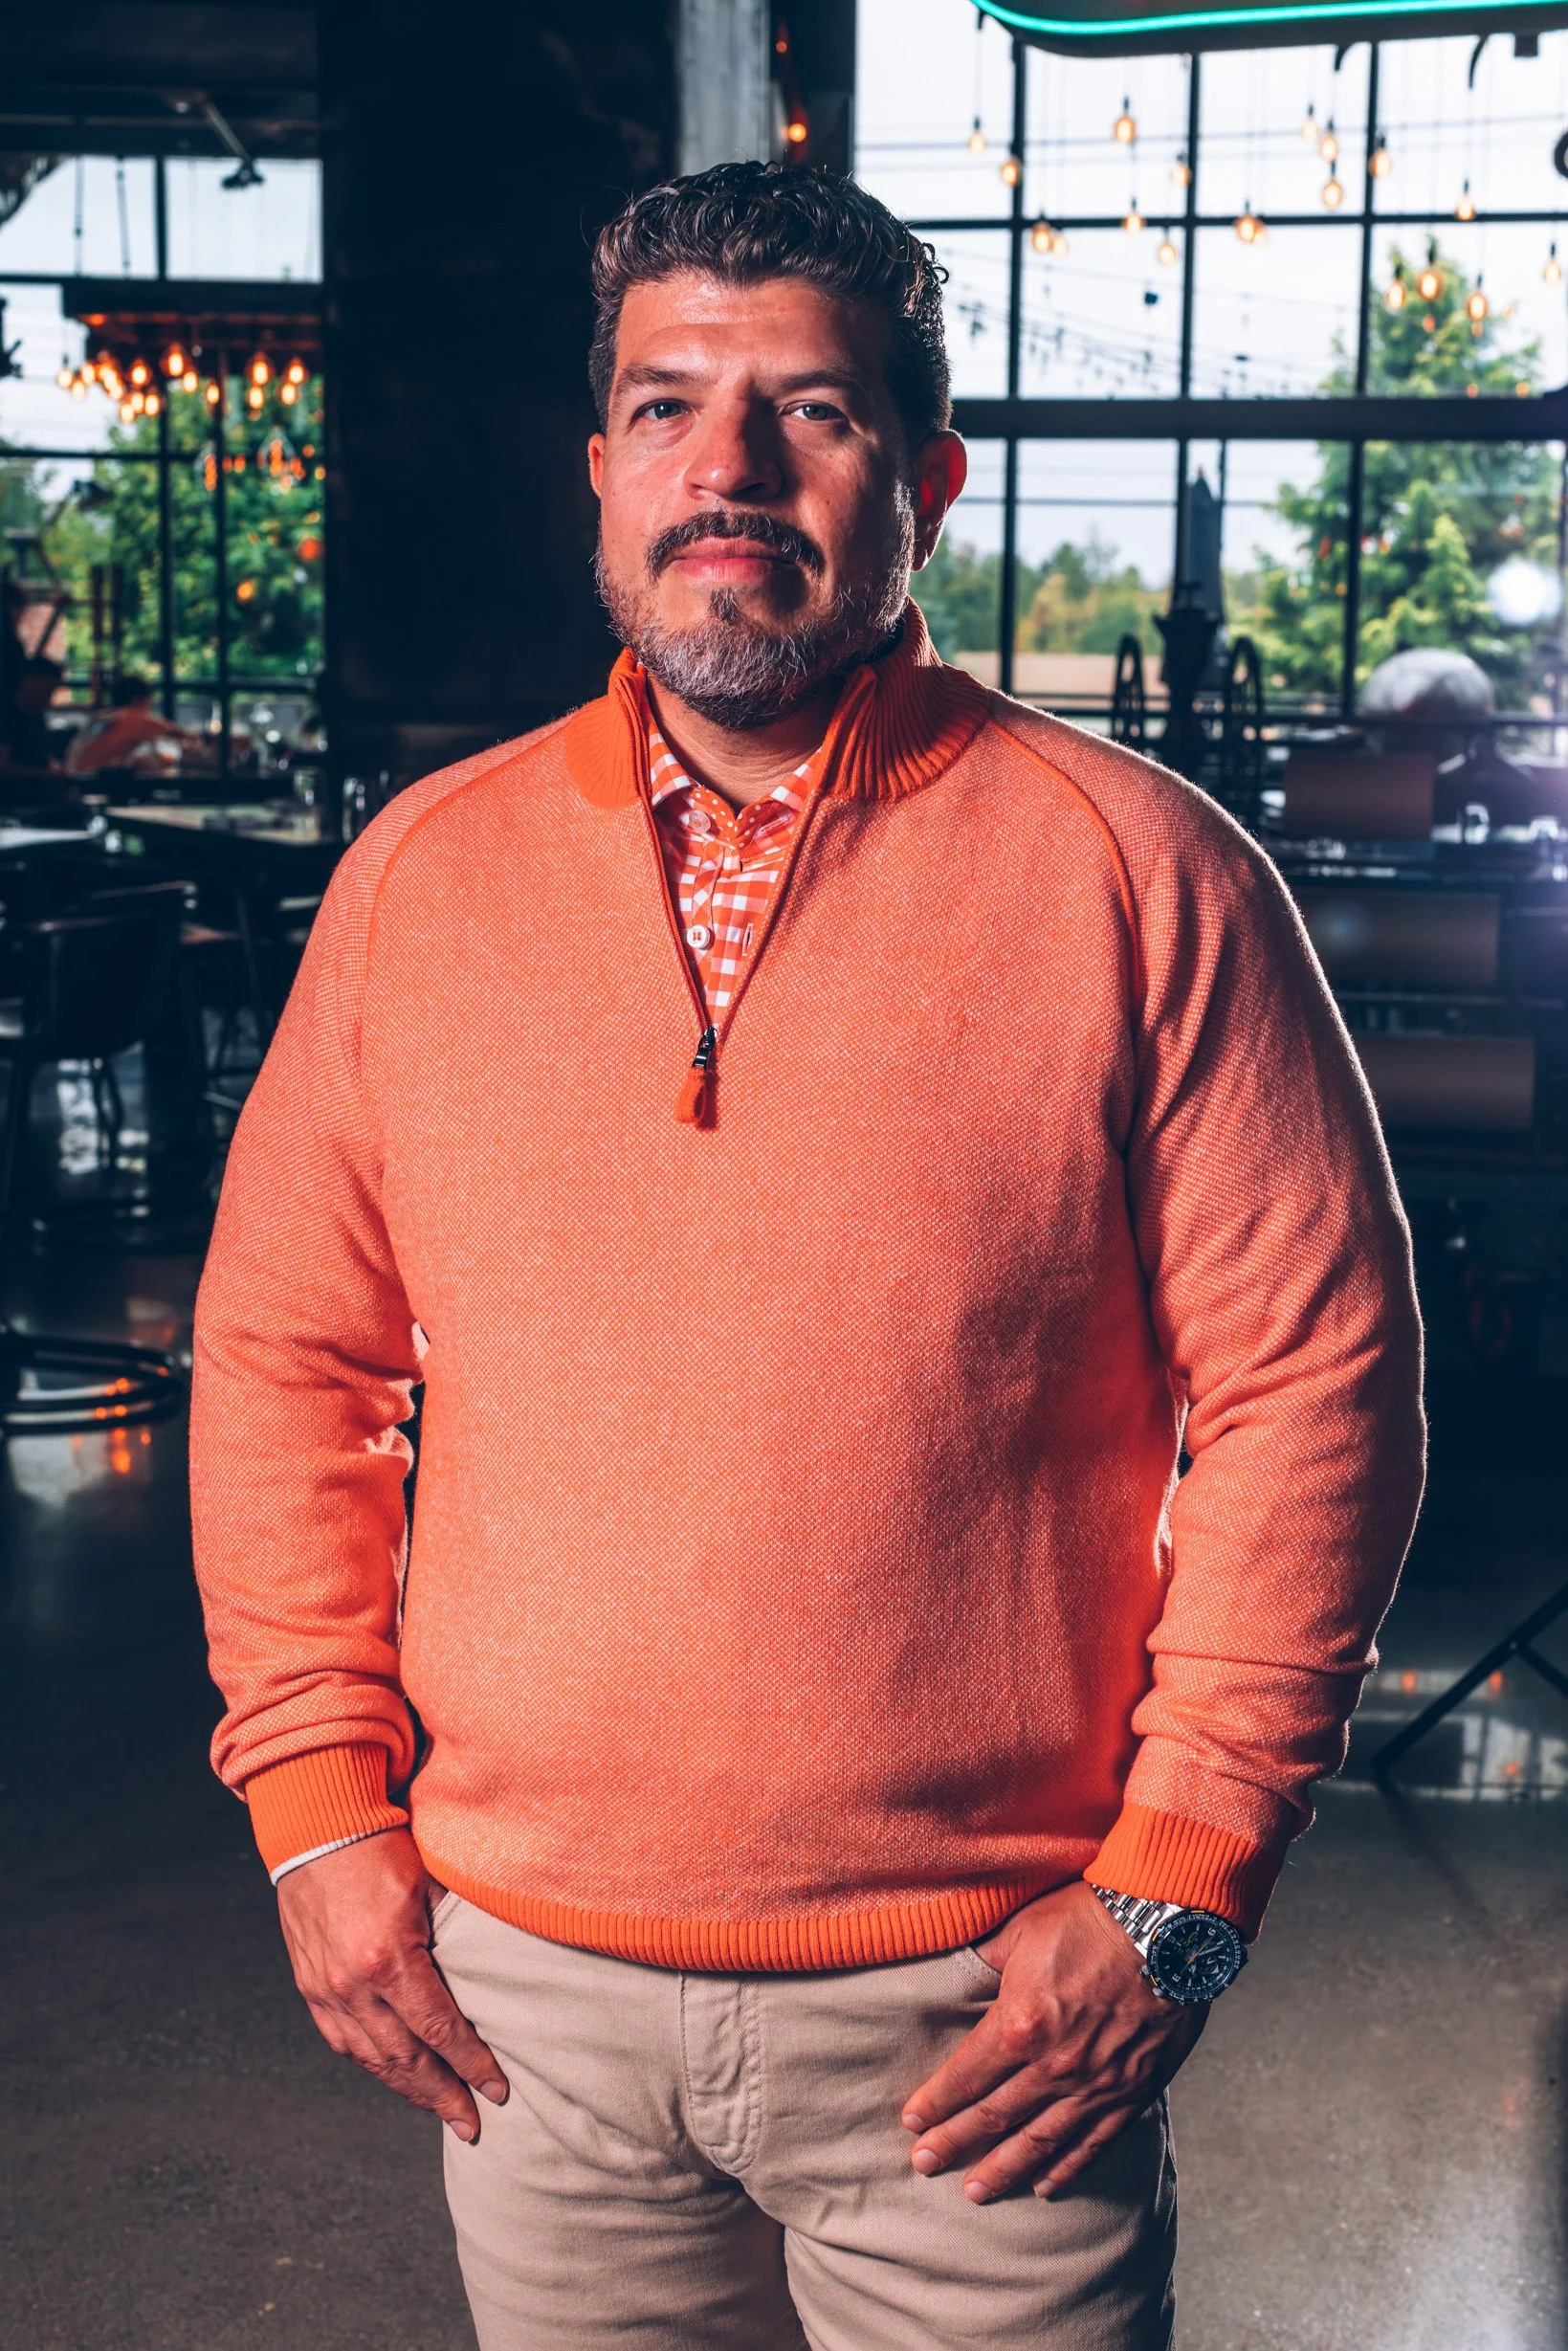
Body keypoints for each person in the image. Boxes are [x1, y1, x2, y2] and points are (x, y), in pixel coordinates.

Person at [191, 164, 1425, 2351]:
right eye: (668, 406)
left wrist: (1179, 1897)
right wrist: (314, 1815)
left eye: (814, 413)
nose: (730, 468)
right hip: (528, 2002)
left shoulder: (1144, 879)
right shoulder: (420, 883)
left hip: (986, 2023)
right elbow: (290, 1353)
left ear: (926, 482)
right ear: (600, 472)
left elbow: (1315, 1393)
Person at [63, 674, 206, 775]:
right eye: (149, 701)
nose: (149, 708)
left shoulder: (99, 718)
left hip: (75, 781)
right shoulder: (133, 717)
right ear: (138, 700)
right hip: (95, 785)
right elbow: (185, 737)